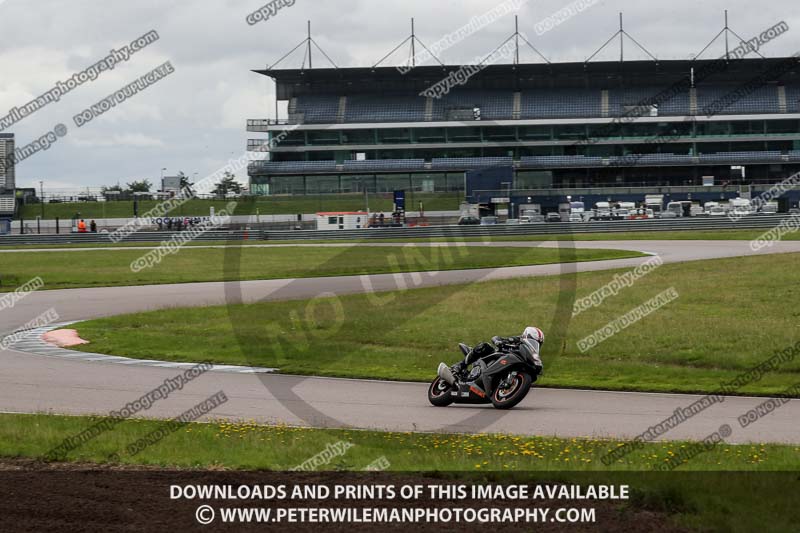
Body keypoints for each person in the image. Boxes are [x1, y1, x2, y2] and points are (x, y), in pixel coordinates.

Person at [453, 326, 544, 378]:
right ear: (527, 335)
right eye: (532, 340)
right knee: (485, 346)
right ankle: (460, 366)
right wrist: (498, 341)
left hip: (509, 364)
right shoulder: (517, 340)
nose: (534, 344)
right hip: (497, 356)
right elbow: (496, 338)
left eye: (537, 343)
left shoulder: (529, 351)